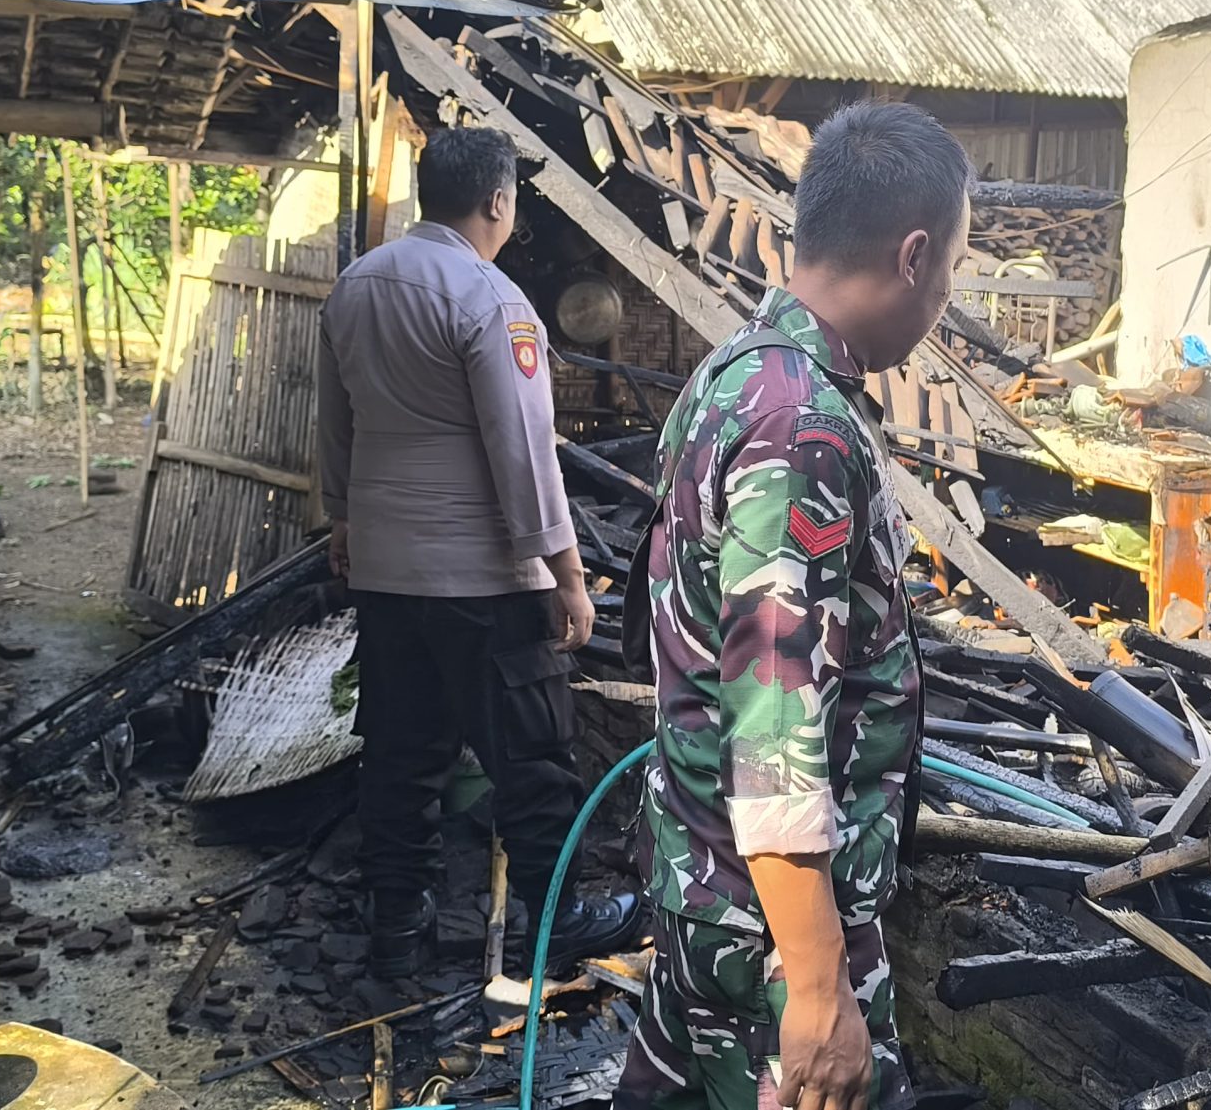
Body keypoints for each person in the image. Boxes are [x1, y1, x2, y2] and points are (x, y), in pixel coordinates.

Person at [615, 101, 970, 1110]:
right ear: (911, 254)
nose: (946, 293)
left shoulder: (731, 378)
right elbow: (774, 724)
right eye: (950, 265)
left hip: (702, 875)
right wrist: (817, 984)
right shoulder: (799, 425)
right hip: (770, 923)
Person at [316, 125, 643, 977]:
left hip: (388, 573)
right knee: (531, 755)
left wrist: (343, 522)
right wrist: (568, 575)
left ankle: (397, 923)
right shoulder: (490, 298)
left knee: (399, 754)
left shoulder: (354, 286)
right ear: (498, 200)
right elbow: (525, 451)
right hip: (484, 577)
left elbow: (335, 421)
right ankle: (560, 917)